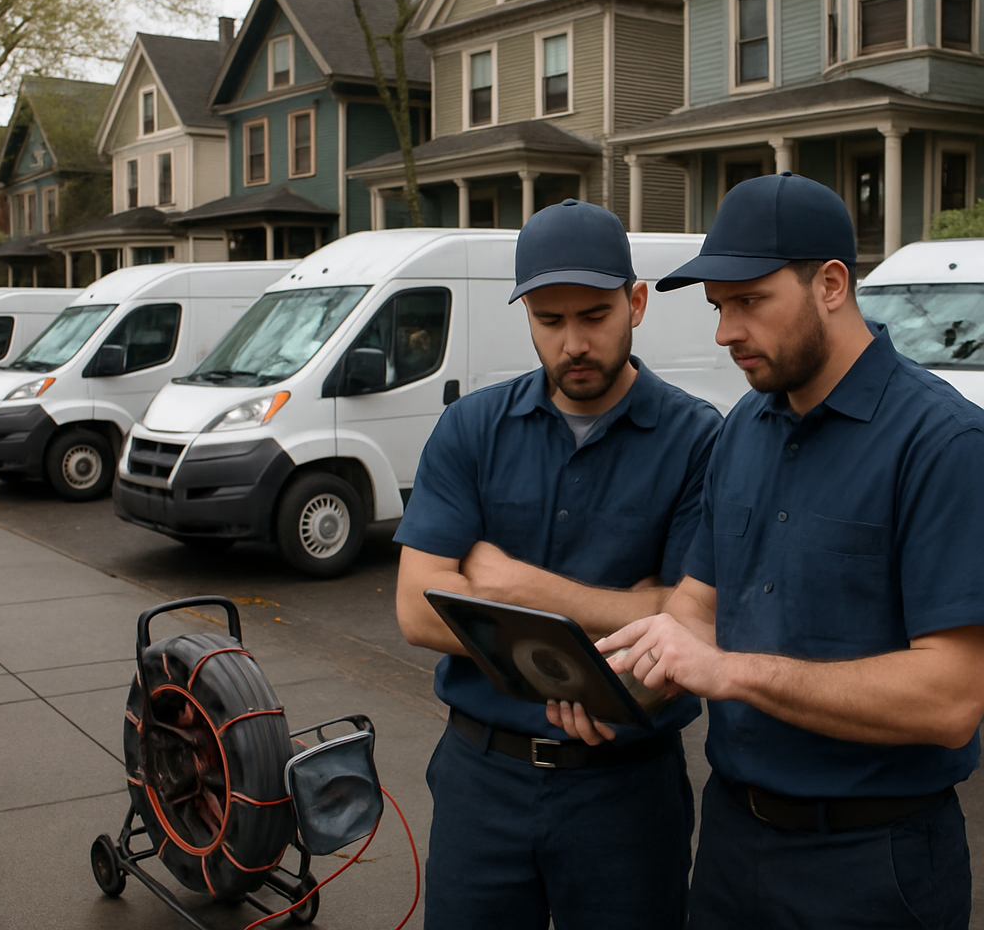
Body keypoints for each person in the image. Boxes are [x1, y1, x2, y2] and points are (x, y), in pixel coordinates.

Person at [552, 172, 984, 930]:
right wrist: (615, 688)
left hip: (873, 862)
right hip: (731, 843)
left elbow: (952, 699)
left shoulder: (942, 444)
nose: (725, 332)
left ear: (830, 284)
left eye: (749, 301)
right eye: (720, 307)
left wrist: (730, 672)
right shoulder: (742, 430)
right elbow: (695, 610)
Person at [394, 198, 722, 930]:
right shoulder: (472, 428)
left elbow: (692, 625)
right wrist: (621, 619)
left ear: (636, 303)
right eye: (550, 320)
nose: (573, 341)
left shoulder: (699, 440)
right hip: (482, 778)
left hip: (626, 792)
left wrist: (518, 587)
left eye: (594, 316)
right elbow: (418, 609)